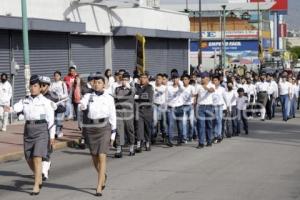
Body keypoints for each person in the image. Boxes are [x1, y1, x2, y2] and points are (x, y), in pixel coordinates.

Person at [12, 75, 56, 195]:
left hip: (41, 130)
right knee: (28, 158)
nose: (32, 88)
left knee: (37, 157)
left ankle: (36, 184)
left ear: (40, 87)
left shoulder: (46, 102)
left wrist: (52, 136)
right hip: (28, 129)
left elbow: (51, 120)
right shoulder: (25, 100)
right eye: (31, 85)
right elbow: (15, 108)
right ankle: (39, 174)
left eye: (35, 86)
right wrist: (7, 109)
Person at [80, 73, 116, 196]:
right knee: (94, 157)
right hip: (91, 128)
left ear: (104, 85)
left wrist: (113, 135)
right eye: (95, 82)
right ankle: (103, 176)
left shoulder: (109, 98)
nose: (97, 84)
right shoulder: (88, 96)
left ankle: (99, 186)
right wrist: (82, 105)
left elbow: (113, 116)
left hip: (104, 127)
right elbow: (82, 104)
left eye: (99, 82)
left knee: (102, 156)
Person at [114, 72, 136, 158]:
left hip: (128, 112)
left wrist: (129, 86)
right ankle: (119, 149)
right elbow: (115, 99)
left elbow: (132, 94)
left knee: (129, 129)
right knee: (119, 131)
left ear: (129, 80)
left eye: (126, 80)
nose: (124, 81)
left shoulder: (132, 89)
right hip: (119, 112)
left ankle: (131, 146)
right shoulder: (117, 89)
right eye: (123, 79)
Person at [134, 72, 154, 152]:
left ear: (147, 79)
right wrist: (139, 96)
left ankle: (147, 142)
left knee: (147, 128)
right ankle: (139, 144)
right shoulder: (136, 87)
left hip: (147, 110)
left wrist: (138, 96)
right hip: (139, 110)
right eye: (141, 77)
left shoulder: (149, 87)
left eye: (144, 77)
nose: (142, 79)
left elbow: (147, 97)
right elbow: (133, 96)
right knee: (139, 128)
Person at [195, 72, 215, 148]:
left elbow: (211, 90)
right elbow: (195, 94)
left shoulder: (211, 84)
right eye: (201, 77)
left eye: (203, 78)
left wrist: (204, 86)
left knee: (209, 125)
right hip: (201, 107)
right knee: (201, 125)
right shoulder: (198, 86)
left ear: (207, 78)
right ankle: (201, 143)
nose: (202, 79)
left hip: (209, 107)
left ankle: (209, 141)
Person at [166, 72, 184, 147]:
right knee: (171, 124)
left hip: (179, 107)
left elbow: (182, 89)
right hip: (171, 108)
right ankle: (170, 140)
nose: (175, 79)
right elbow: (166, 97)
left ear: (179, 78)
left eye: (176, 78)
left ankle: (180, 139)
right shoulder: (169, 87)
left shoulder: (181, 86)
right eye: (173, 78)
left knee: (180, 125)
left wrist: (179, 83)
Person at [50, 71, 68, 138]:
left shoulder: (63, 84)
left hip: (60, 103)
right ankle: (54, 132)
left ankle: (59, 131)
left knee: (59, 119)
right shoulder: (52, 84)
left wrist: (59, 97)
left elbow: (66, 94)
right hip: (53, 104)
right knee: (53, 119)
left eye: (57, 75)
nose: (56, 77)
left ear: (60, 76)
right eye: (55, 75)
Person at [152, 73, 167, 144]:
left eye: (160, 78)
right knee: (154, 121)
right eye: (157, 78)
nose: (158, 79)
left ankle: (164, 135)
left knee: (163, 122)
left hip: (162, 106)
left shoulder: (164, 87)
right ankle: (153, 136)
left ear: (162, 80)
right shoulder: (152, 85)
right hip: (154, 105)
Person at [181, 74, 196, 142]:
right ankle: (184, 137)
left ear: (189, 80)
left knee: (191, 123)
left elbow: (194, 95)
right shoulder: (181, 87)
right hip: (183, 106)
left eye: (186, 79)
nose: (184, 81)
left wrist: (193, 99)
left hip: (190, 106)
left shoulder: (191, 87)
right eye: (183, 79)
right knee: (184, 123)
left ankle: (190, 136)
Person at [212, 75, 226, 143]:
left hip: (220, 106)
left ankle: (218, 135)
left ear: (219, 81)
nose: (214, 82)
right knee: (214, 121)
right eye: (213, 80)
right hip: (212, 106)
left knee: (219, 121)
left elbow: (225, 98)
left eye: (216, 80)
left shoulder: (222, 89)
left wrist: (227, 107)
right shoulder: (211, 88)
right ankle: (215, 135)